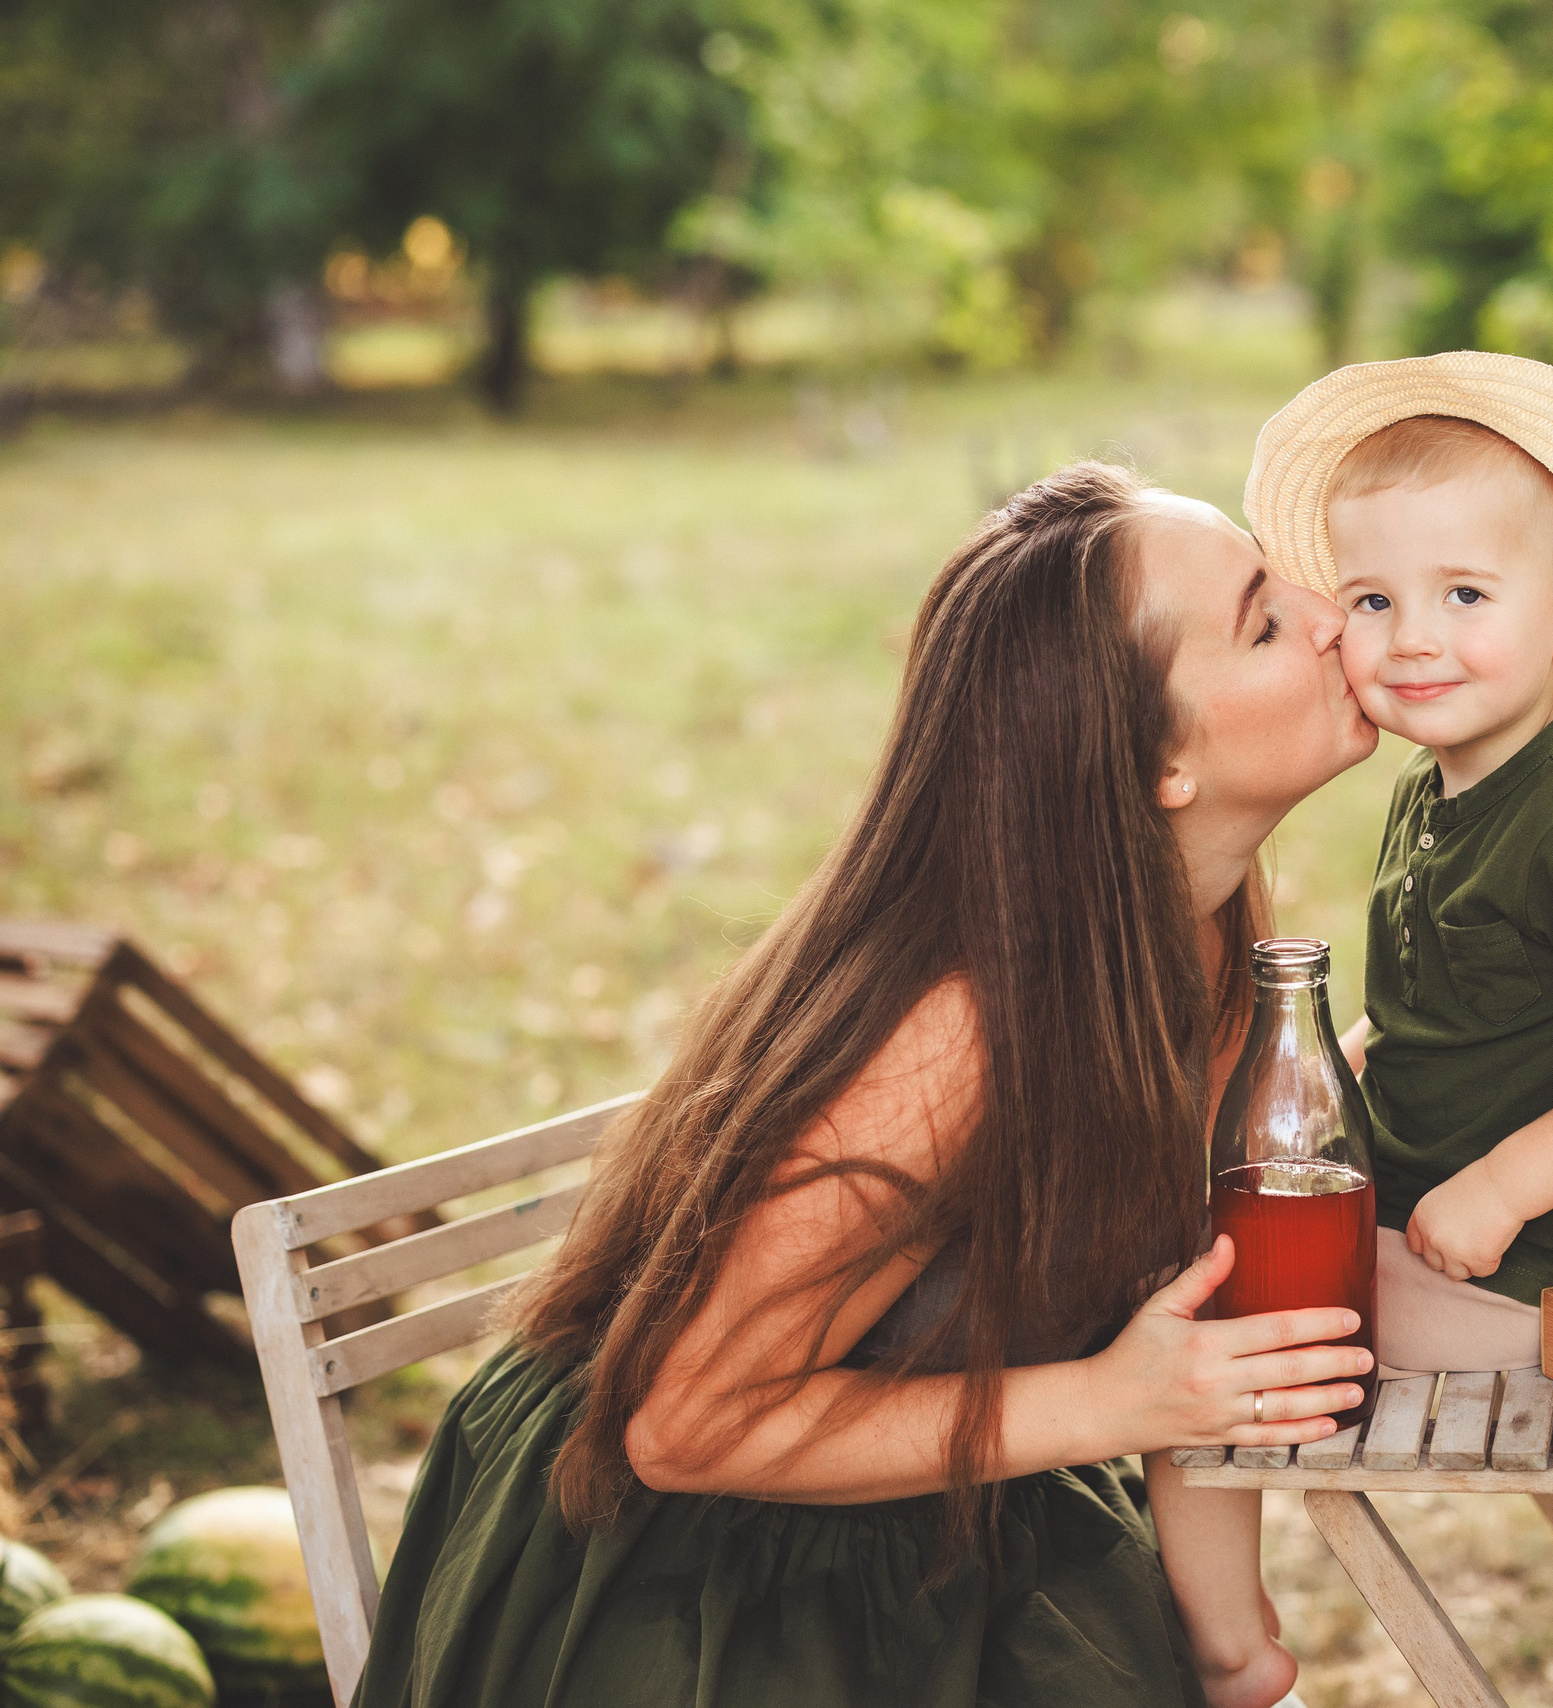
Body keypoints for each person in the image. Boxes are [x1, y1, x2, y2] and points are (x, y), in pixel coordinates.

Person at [352, 462, 1380, 1708]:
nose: (1335, 615)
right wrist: (1107, 1400)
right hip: (692, 1575)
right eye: (1265, 619)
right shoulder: (957, 1040)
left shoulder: (1202, 941)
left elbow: (1186, 1288)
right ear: (1158, 764)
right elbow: (682, 1429)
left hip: (932, 1496)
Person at [1151, 352, 1553, 1699]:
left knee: (1198, 1328)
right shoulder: (1447, 783)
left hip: (1519, 1283)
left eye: (1464, 596)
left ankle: (1226, 1652)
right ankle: (1198, 1620)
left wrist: (1499, 1187)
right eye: (1373, 600)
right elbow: (1448, 1009)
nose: (1412, 637)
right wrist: (1348, 1068)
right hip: (1417, 1217)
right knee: (1186, 1258)